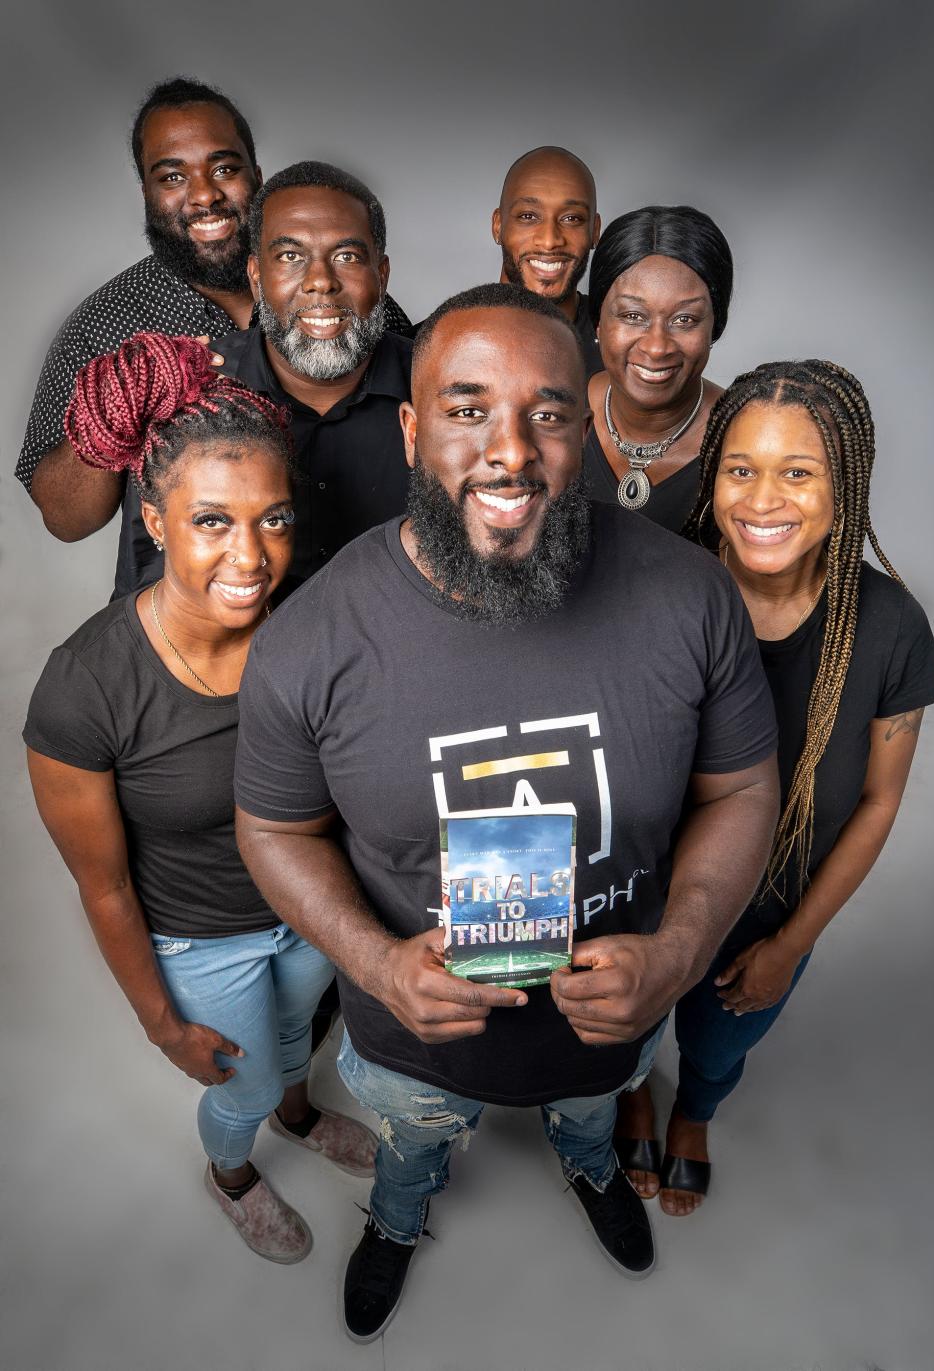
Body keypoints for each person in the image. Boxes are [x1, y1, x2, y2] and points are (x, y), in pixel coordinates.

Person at [232, 283, 781, 1339]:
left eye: (548, 411)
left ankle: (592, 1170)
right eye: (467, 406)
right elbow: (275, 827)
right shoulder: (313, 638)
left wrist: (674, 955)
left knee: (588, 1124)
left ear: (585, 422)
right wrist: (379, 965)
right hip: (411, 1043)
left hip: (611, 1032)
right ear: (411, 428)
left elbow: (743, 787)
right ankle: (396, 1222)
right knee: (413, 1150)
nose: (511, 450)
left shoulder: (689, 594)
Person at [23, 334, 377, 1264]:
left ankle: (300, 1114)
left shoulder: (312, 620)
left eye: (273, 519)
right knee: (242, 1086)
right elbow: (103, 888)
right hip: (199, 937)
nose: (251, 555)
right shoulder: (84, 686)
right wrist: (162, 1021)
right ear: (153, 520)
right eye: (213, 521)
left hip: (308, 906)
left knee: (298, 1041)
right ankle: (233, 1171)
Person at [634, 359, 934, 1215]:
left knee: (719, 1039)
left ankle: (694, 1110)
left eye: (797, 472)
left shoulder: (889, 627)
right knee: (625, 1028)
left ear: (845, 487)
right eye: (741, 469)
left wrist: (793, 942)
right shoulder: (660, 576)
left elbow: (879, 802)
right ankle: (631, 1091)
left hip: (771, 913)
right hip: (643, 889)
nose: (762, 499)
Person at [16, 77, 413, 600]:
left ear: (258, 177)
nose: (204, 194)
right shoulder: (110, 321)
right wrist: (121, 407)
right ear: (147, 193)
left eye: (225, 169)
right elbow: (65, 519)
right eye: (172, 176)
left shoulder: (355, 310)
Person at [214, 160, 413, 581]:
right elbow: (150, 579)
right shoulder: (197, 388)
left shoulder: (440, 389)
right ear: (256, 277)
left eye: (346, 256)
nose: (320, 281)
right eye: (290, 256)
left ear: (381, 275)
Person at [583, 205, 733, 531]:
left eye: (685, 320)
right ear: (598, 322)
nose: (656, 346)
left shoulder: (742, 437)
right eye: (633, 316)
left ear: (714, 327)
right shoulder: (553, 413)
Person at [493, 146, 603, 373]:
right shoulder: (437, 340)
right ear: (498, 226)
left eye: (572, 218)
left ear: (595, 231)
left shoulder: (626, 346)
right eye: (528, 216)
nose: (549, 240)